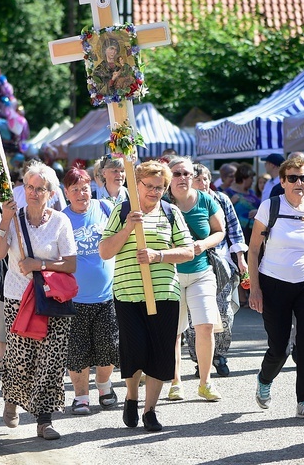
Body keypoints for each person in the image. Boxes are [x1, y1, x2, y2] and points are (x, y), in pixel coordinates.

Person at [100, 160, 194, 432]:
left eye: (160, 187)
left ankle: (150, 410)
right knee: (136, 349)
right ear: (136, 185)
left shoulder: (171, 212)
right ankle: (131, 396)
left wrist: (159, 256)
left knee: (160, 352)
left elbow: (188, 251)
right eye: (149, 186)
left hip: (165, 293)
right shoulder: (123, 210)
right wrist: (128, 228)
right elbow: (105, 251)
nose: (155, 191)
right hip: (128, 294)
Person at [0, 161, 76, 440]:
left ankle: (45, 419)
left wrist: (38, 264)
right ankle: (12, 399)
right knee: (20, 357)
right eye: (29, 187)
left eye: (40, 189)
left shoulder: (60, 221)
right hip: (18, 296)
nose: (34, 192)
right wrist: (4, 220)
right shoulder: (14, 218)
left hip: (51, 297)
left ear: (51, 193)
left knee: (51, 359)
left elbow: (71, 263)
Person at [248, 157, 304, 420]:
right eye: (293, 178)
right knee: (280, 348)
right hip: (274, 284)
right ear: (282, 181)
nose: (299, 183)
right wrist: (255, 289)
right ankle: (265, 378)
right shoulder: (270, 207)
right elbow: (253, 250)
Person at [166, 157, 225, 402]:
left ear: (194, 176)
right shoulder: (161, 203)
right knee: (173, 331)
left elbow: (220, 231)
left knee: (206, 325)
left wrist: (203, 244)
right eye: (177, 174)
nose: (182, 178)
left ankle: (205, 382)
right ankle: (175, 380)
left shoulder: (206, 200)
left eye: (187, 173)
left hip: (201, 271)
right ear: (169, 178)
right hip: (169, 274)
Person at [61, 168, 119, 415]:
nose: (81, 193)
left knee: (109, 347)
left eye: (84, 188)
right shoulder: (61, 218)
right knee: (77, 353)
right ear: (66, 193)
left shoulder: (105, 208)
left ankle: (104, 386)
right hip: (73, 299)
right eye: (74, 189)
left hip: (107, 296)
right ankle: (81, 396)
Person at [188, 164, 248, 377]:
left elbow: (235, 230)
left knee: (224, 312)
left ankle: (220, 354)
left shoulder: (221, 199)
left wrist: (241, 258)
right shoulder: (184, 202)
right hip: (194, 264)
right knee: (195, 316)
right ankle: (200, 360)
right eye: (198, 180)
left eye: (205, 179)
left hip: (222, 263)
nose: (203, 183)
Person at [224, 162, 261, 243]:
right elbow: (220, 212)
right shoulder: (228, 193)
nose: (253, 181)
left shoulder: (251, 192)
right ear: (245, 178)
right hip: (237, 234)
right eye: (251, 178)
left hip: (254, 231)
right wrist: (231, 202)